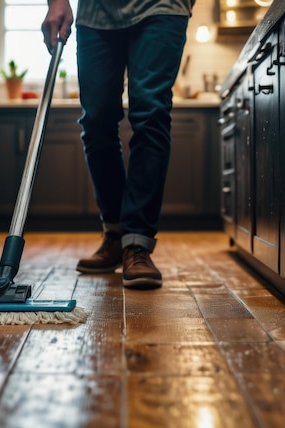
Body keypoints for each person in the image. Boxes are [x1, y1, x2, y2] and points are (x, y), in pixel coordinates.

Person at [42, 0, 194, 289]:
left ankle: (137, 242)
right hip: (96, 13)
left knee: (150, 114)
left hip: (162, 8)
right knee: (96, 121)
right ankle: (114, 234)